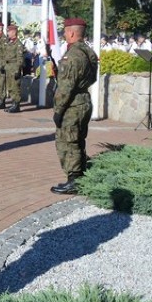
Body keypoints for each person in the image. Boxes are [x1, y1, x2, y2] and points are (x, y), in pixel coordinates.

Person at [51, 18, 98, 195]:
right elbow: (91, 77)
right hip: (84, 99)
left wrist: (58, 110)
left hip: (72, 104)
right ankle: (80, 173)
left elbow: (65, 87)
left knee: (68, 142)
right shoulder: (88, 52)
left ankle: (74, 179)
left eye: (65, 31)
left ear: (71, 32)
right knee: (78, 139)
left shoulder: (73, 55)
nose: (64, 34)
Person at [1, 24, 26, 113]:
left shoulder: (18, 44)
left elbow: (20, 58)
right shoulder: (9, 42)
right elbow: (5, 55)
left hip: (14, 67)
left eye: (9, 31)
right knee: (10, 87)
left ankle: (16, 105)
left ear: (14, 32)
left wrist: (18, 70)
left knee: (15, 87)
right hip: (8, 68)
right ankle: (13, 104)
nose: (7, 33)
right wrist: (4, 66)